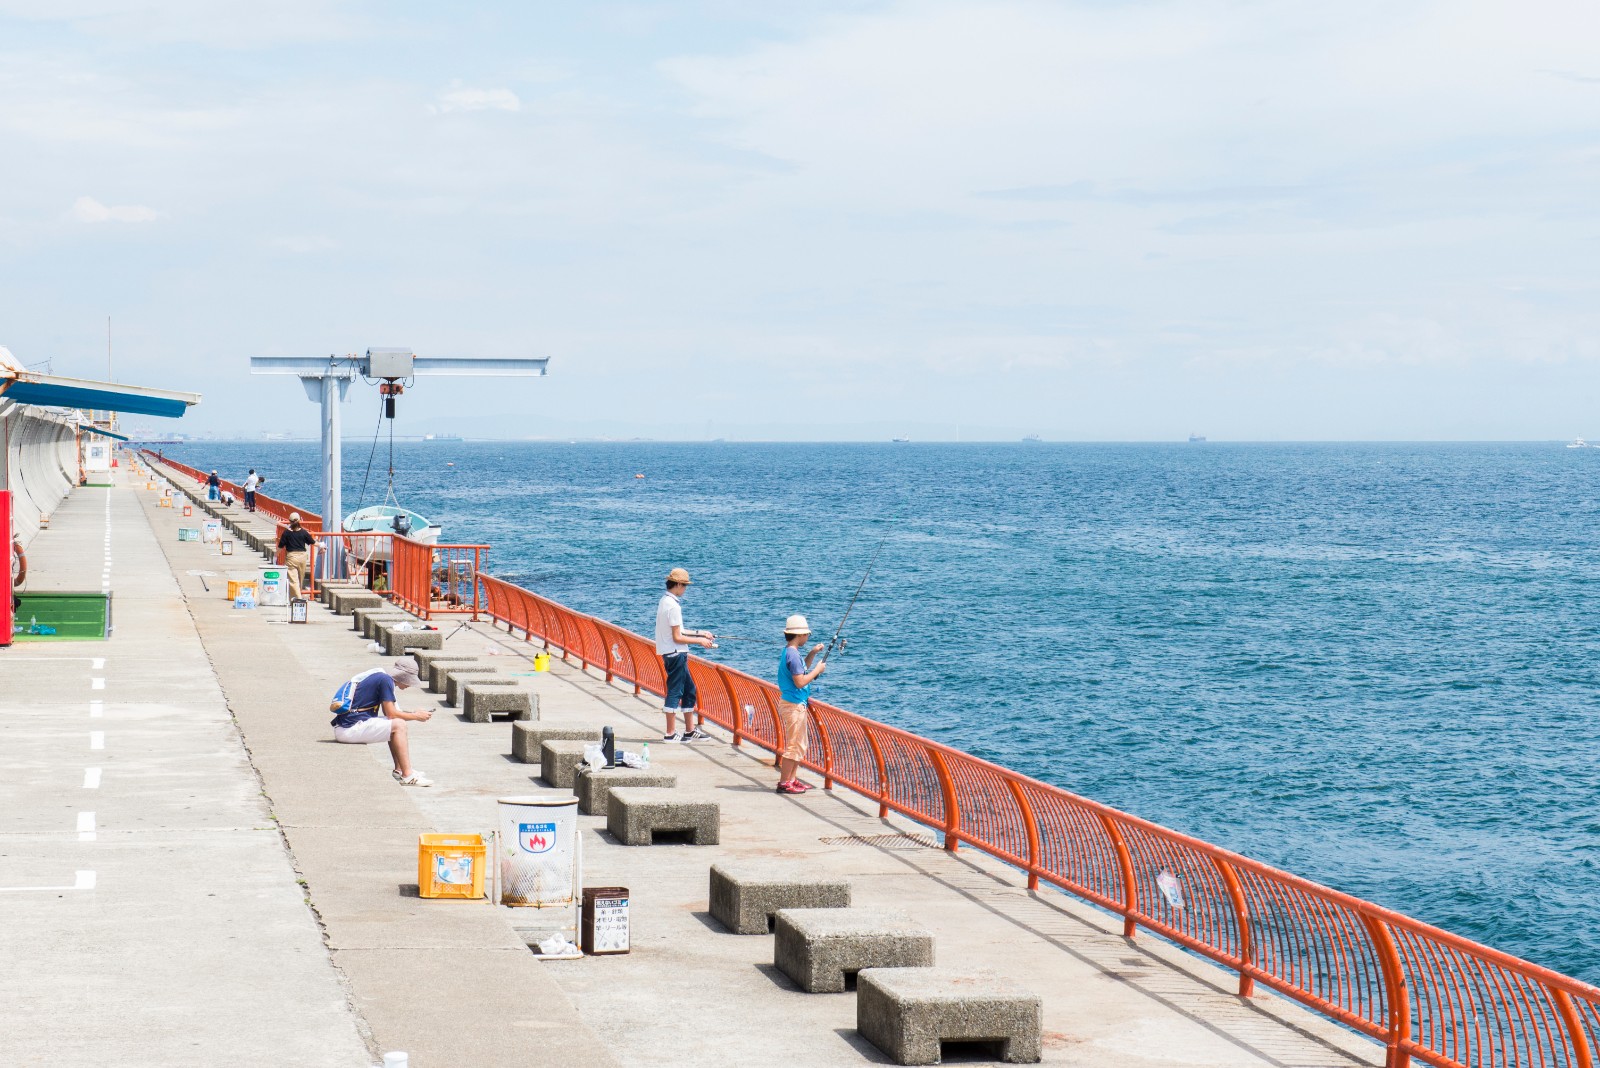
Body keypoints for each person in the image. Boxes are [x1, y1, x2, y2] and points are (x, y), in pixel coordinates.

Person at [328, 657, 434, 786]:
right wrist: (416, 716)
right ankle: (408, 776)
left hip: (347, 726)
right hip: (349, 729)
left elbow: (391, 713)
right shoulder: (385, 680)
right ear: (403, 676)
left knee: (397, 723)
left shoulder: (382, 676)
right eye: (409, 681)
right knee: (399, 725)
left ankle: (400, 770)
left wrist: (413, 712)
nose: (409, 685)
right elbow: (391, 713)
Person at [654, 567, 715, 742]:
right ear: (678, 584)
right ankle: (670, 733)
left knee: (689, 690)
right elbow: (677, 637)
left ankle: (689, 730)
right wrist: (701, 642)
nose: (685, 589)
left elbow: (679, 630)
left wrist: (701, 633)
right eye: (685, 586)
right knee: (675, 691)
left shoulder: (664, 601)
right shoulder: (673, 606)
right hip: (675, 654)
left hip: (673, 652)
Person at [775, 614, 827, 795]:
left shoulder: (789, 652)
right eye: (807, 635)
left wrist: (812, 653)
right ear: (800, 635)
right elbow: (800, 681)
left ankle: (792, 779)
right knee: (794, 745)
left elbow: (800, 669)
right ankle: (784, 783)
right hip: (794, 705)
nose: (807, 637)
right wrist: (817, 671)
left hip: (795, 703)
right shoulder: (793, 655)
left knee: (800, 744)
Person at [277, 512, 314, 600]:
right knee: (300, 579)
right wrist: (321, 545)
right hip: (302, 557)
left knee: (293, 581)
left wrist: (276, 556)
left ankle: (298, 598)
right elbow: (313, 542)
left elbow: (280, 547)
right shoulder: (304, 532)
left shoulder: (286, 533)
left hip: (292, 557)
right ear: (299, 521)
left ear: (289, 522)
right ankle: (295, 597)